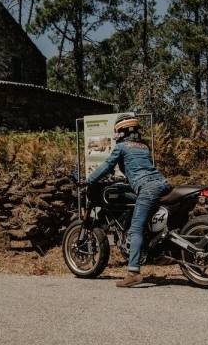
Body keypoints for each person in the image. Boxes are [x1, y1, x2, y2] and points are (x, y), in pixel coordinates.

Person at [83, 113, 173, 288]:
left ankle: (133, 272)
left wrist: (88, 180)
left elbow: (107, 166)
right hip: (162, 183)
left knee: (136, 228)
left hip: (147, 186)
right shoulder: (143, 146)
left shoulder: (121, 147)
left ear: (121, 132)